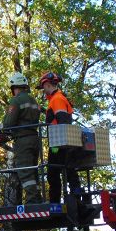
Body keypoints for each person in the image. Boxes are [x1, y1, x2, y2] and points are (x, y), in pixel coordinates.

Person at [36, 71, 80, 203]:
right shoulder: (57, 99)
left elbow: (63, 121)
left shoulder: (57, 99)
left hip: (59, 143)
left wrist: (57, 145)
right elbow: (57, 118)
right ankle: (75, 195)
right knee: (67, 170)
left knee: (54, 173)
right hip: (61, 142)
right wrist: (44, 110)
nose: (43, 90)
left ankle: (56, 202)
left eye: (43, 87)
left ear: (48, 84)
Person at [0, 72, 42, 205]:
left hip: (23, 140)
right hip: (35, 139)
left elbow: (8, 123)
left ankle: (32, 200)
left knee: (24, 170)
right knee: (33, 170)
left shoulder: (16, 100)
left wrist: (1, 128)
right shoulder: (33, 101)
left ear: (13, 87)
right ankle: (37, 197)